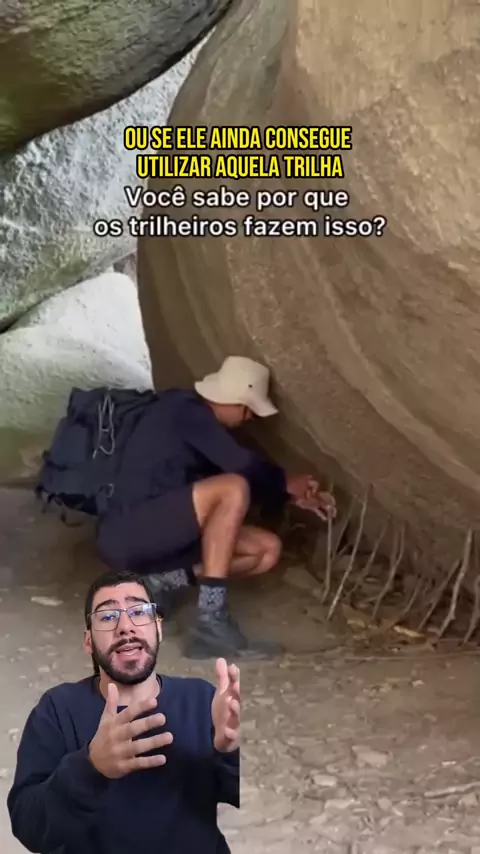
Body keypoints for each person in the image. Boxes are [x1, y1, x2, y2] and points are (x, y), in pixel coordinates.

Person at [95, 355, 336, 659]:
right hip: (128, 532)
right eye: (249, 409)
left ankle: (160, 584)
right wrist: (286, 483)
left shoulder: (204, 427)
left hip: (164, 532)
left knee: (265, 550)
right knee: (233, 487)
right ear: (235, 400)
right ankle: (211, 621)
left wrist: (290, 495)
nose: (249, 418)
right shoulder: (184, 410)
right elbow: (242, 466)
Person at [7, 570, 240, 854]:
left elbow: (236, 795)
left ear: (158, 628)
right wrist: (90, 768)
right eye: (107, 617)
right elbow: (29, 828)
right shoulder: (57, 710)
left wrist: (228, 751)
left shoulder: (202, 700)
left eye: (138, 612)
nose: (125, 627)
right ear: (89, 641)